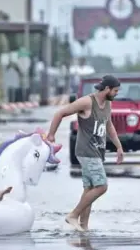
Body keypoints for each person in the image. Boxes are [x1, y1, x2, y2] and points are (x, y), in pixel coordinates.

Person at [46, 75, 124, 232]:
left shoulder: (107, 104)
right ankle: (73, 215)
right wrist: (51, 135)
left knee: (90, 189)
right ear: (107, 89)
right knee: (101, 186)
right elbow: (59, 113)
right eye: (115, 90)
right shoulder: (87, 102)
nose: (117, 93)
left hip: (97, 151)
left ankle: (83, 226)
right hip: (86, 151)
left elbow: (109, 125)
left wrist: (119, 147)